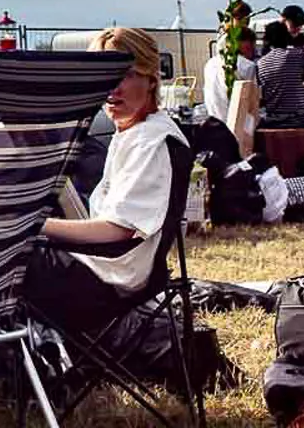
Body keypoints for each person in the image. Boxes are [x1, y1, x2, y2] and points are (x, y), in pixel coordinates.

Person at [27, 27, 190, 333]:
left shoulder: (151, 142)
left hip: (112, 278)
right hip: (110, 268)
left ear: (151, 78)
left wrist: (33, 225)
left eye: (126, 75)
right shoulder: (134, 131)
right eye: (103, 77)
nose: (112, 89)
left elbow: (117, 232)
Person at [256, 21, 304, 145]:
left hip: (274, 119)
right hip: (301, 118)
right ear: (286, 37)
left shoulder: (261, 63)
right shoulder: (297, 54)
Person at [200, 26, 257, 126]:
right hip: (236, 123)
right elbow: (252, 102)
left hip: (214, 121)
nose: (253, 49)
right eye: (252, 44)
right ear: (243, 43)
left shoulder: (210, 63)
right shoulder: (247, 66)